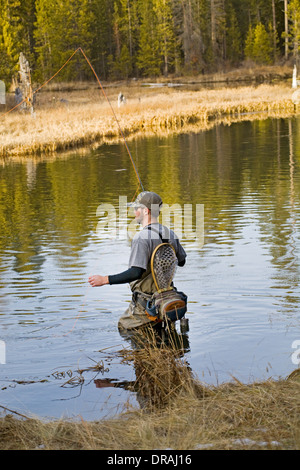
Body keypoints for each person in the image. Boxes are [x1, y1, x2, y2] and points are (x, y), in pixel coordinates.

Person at [88, 191, 187, 331]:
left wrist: (105, 279)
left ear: (146, 211)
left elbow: (136, 272)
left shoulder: (141, 238)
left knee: (123, 328)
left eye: (136, 208)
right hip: (166, 300)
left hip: (146, 305)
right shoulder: (169, 233)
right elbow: (182, 262)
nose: (134, 212)